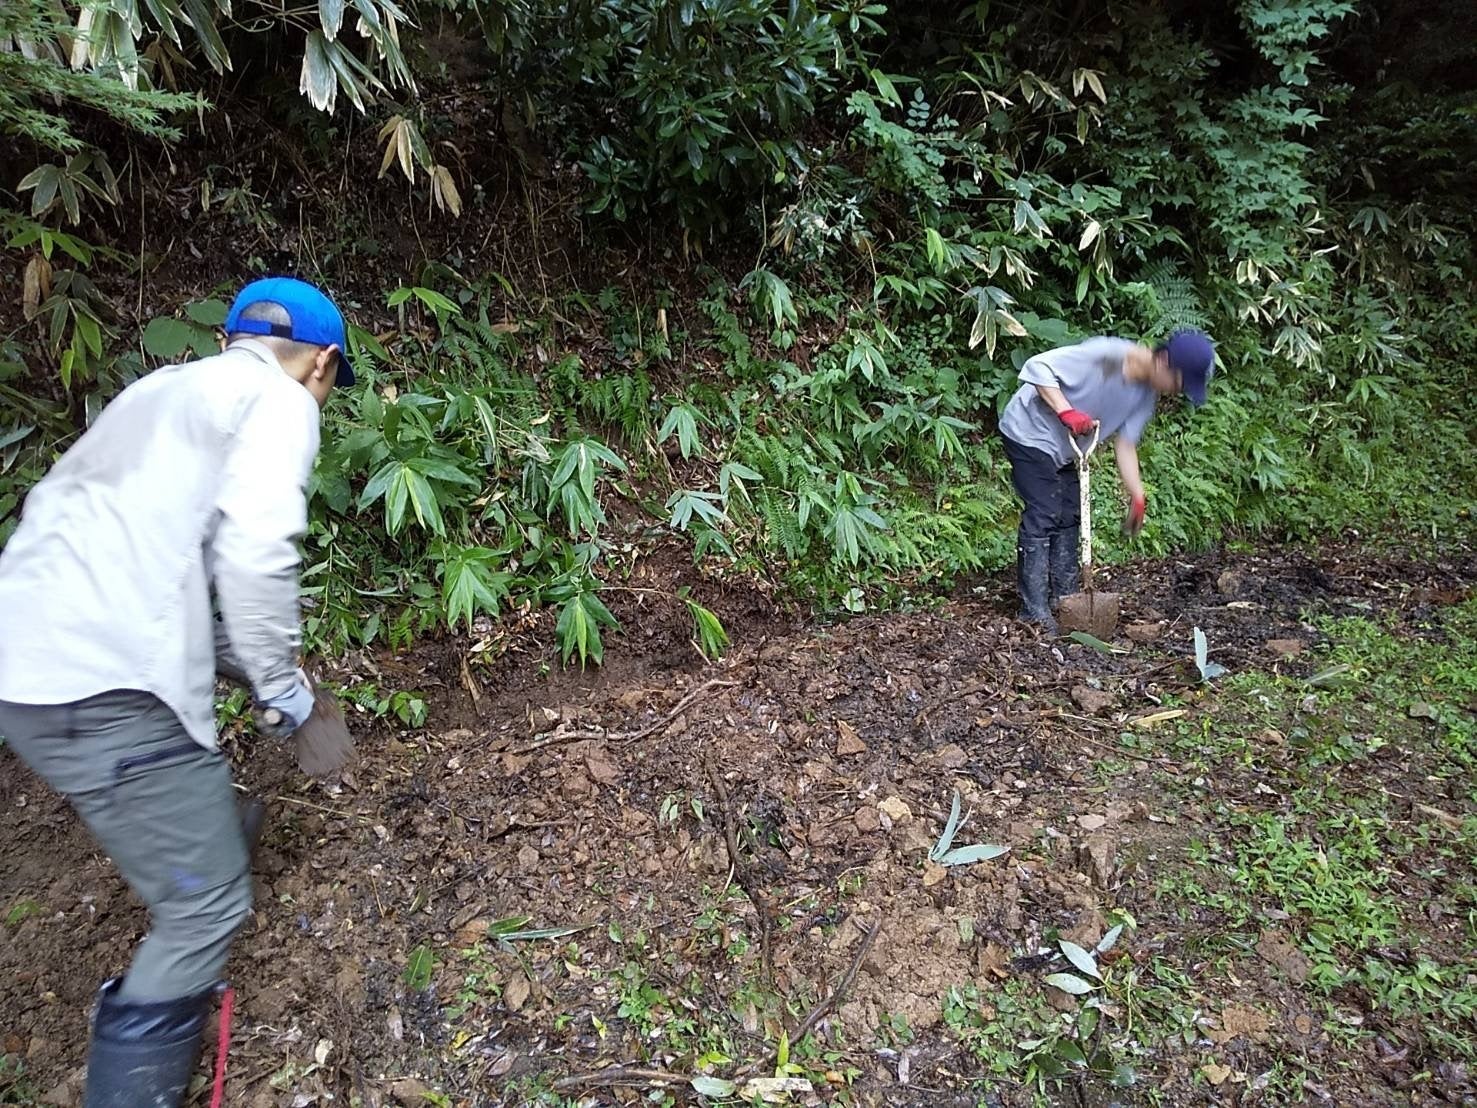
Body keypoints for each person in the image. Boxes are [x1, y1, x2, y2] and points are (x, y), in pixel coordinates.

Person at [0, 277, 357, 1107]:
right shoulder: (279, 401)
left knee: (195, 798)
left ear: (228, 339)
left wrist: (259, 670)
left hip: (24, 658)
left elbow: (157, 565)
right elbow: (254, 558)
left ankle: (211, 834)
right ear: (322, 364)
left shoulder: (158, 392)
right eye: (331, 384)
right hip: (109, 681)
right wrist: (283, 693)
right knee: (204, 913)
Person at [997, 329, 1215, 634]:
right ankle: (1032, 611)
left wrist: (1137, 495)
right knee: (1044, 511)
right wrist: (1066, 411)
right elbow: (1037, 367)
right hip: (1027, 431)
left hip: (1062, 448)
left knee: (1069, 513)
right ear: (1164, 362)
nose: (1176, 392)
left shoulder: (1145, 395)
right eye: (1178, 384)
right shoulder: (1107, 356)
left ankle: (1066, 599)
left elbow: (1125, 445)